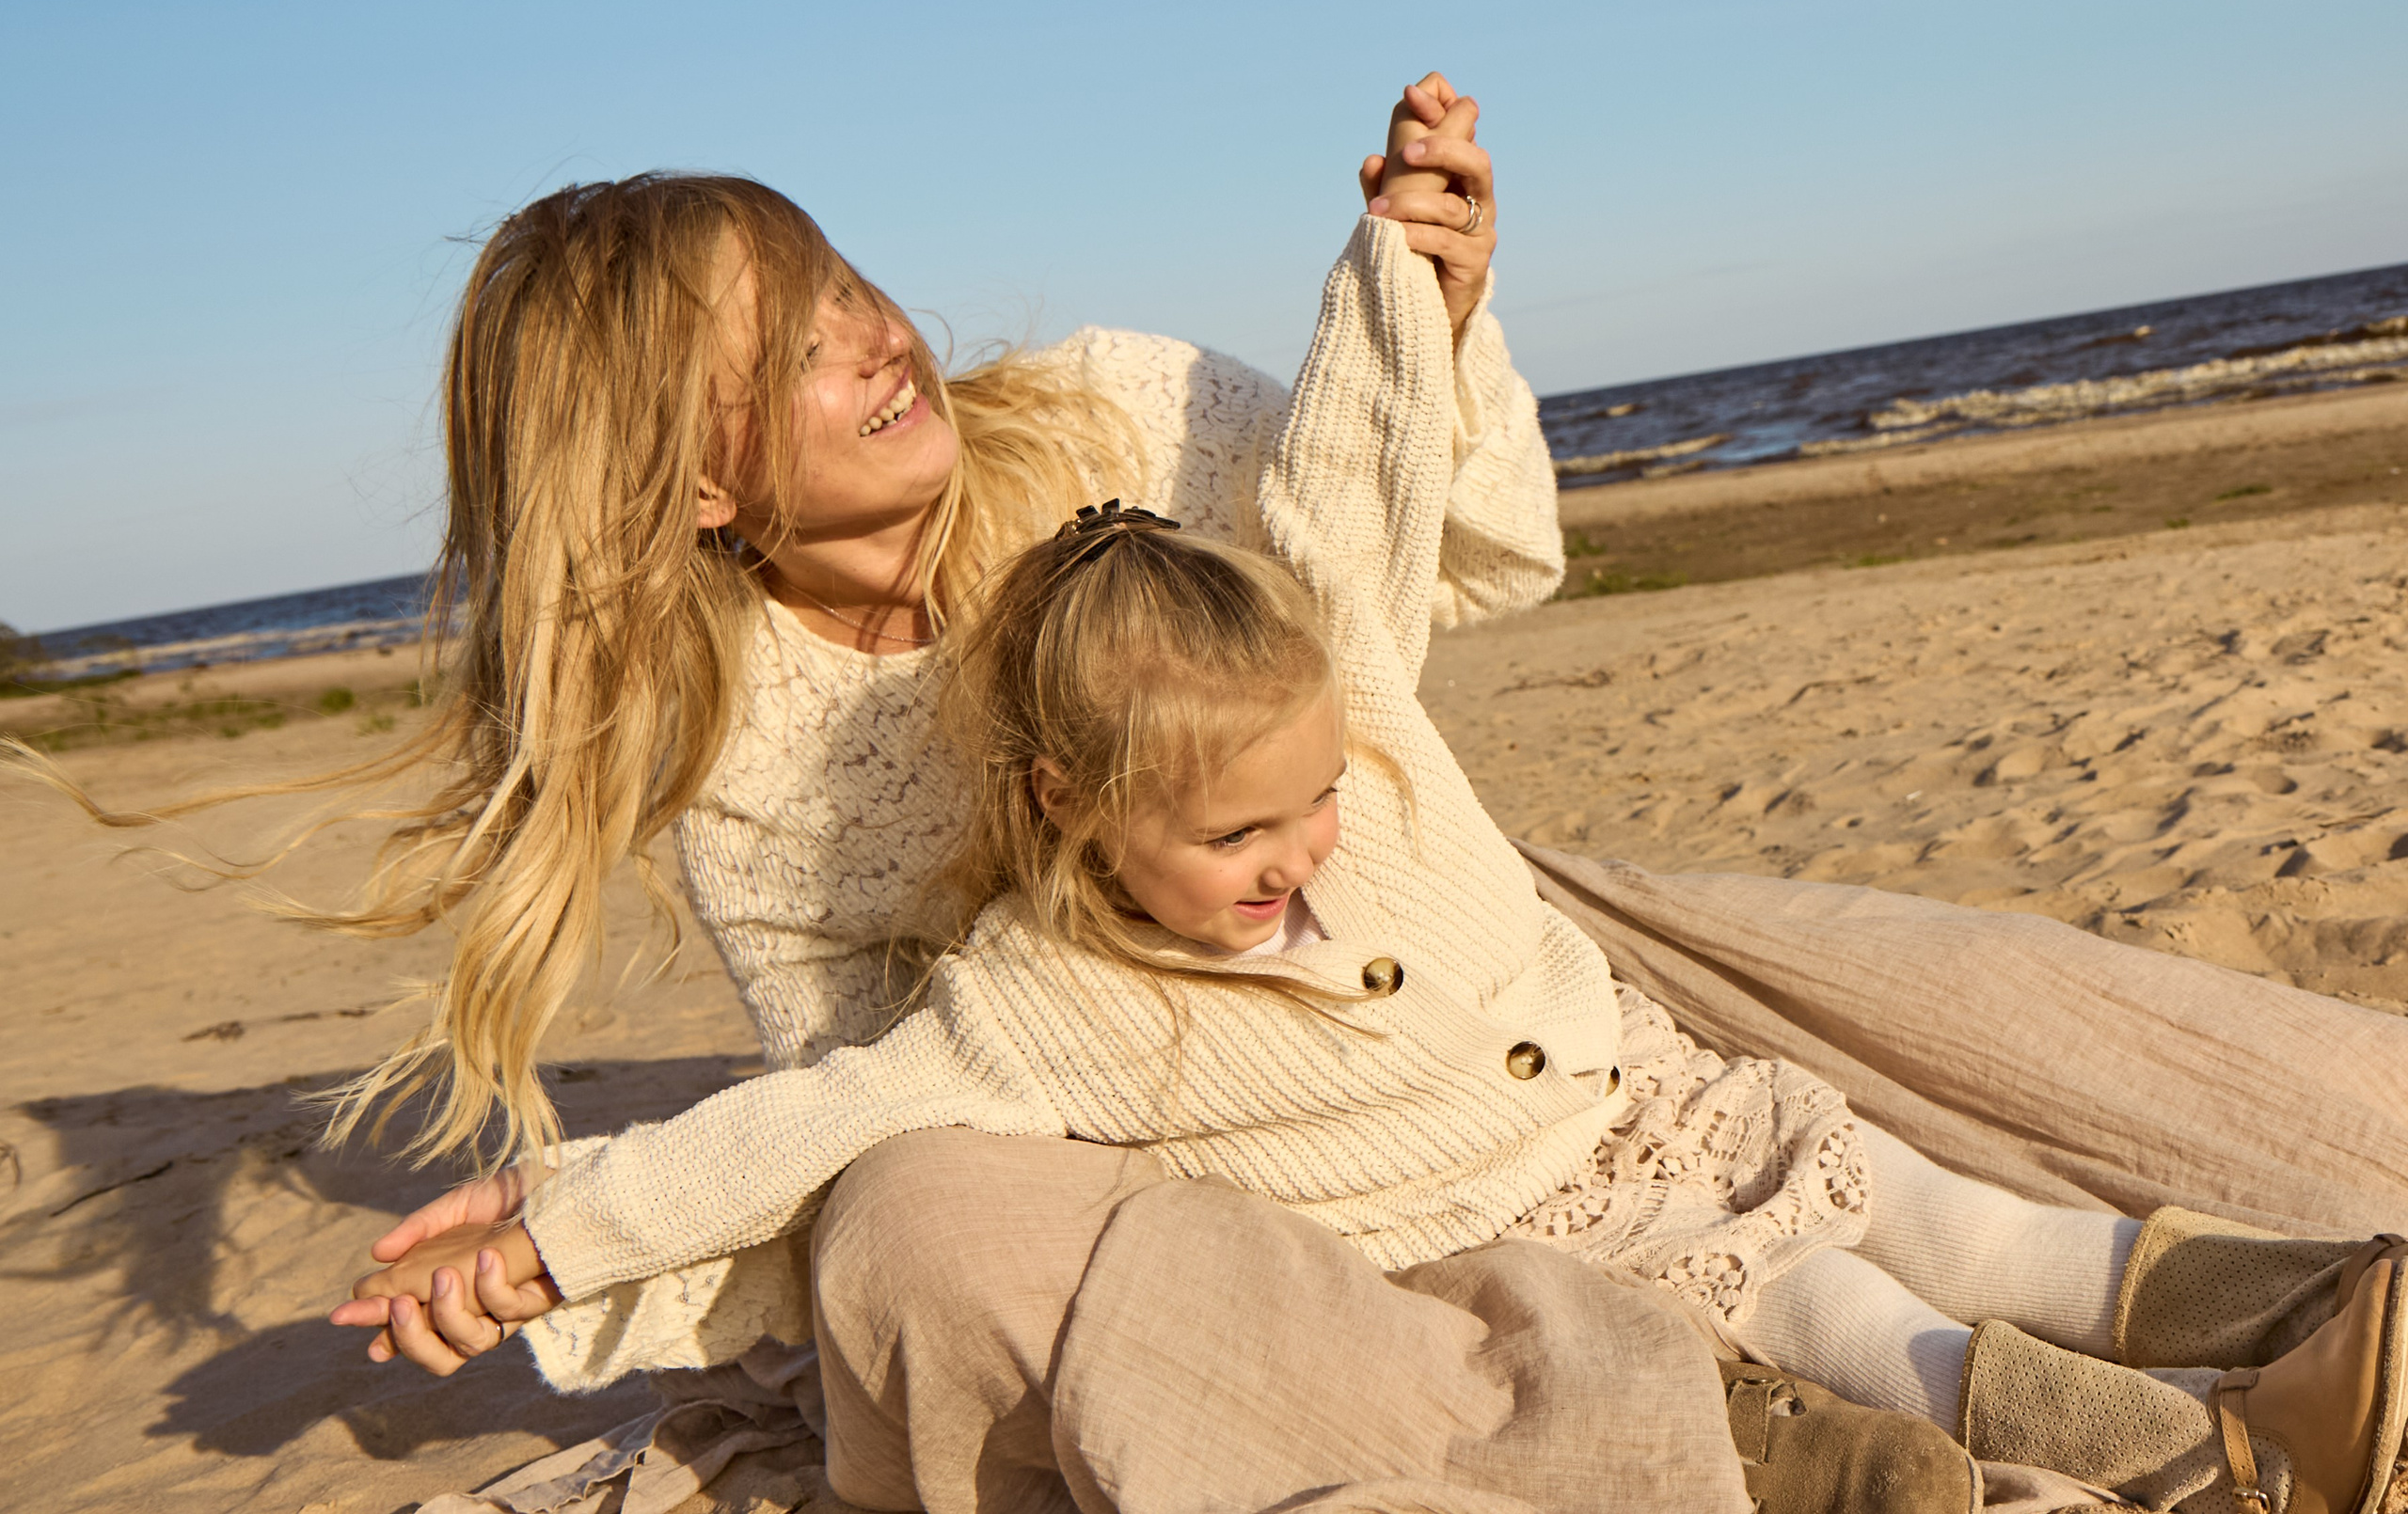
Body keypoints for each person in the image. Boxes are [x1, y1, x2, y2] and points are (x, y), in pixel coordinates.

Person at [343, 208, 2408, 1514]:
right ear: (687, 475)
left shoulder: (1101, 411)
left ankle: (2325, 1311)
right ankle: (2195, 1463)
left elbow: (1396, 529)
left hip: (1482, 945)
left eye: (835, 279)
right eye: (784, 347)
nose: (871, 333)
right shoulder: (756, 777)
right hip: (1232, 1139)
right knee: (1845, 1330)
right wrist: (565, 1222)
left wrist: (1421, 306)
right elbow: (867, 1098)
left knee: (2014, 1088)